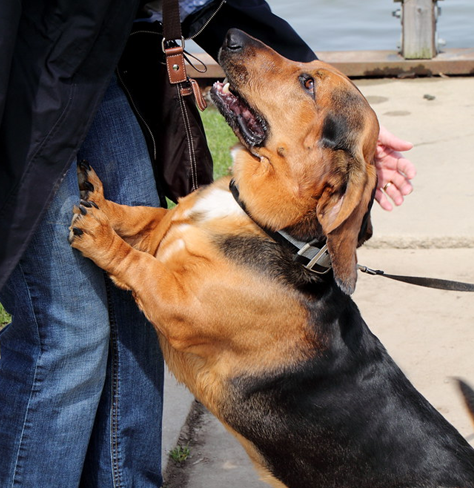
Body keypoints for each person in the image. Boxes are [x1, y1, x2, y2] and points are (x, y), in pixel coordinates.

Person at [0, 0, 414, 486]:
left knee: (133, 317)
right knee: (70, 330)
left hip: (100, 53)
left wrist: (361, 135)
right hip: (19, 63)